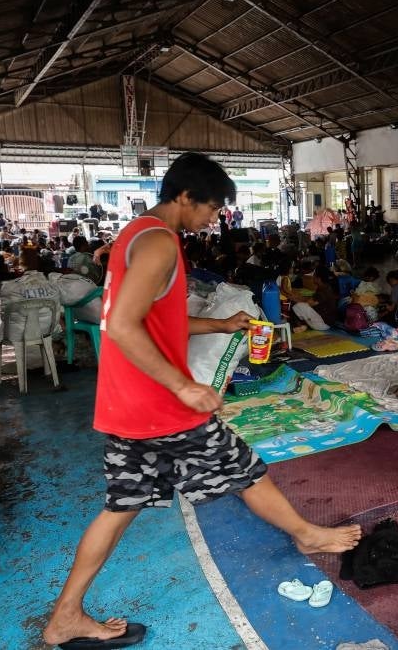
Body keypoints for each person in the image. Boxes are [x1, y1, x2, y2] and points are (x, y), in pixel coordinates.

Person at [42, 153, 360, 649]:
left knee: (119, 507)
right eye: (211, 207)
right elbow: (123, 326)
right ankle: (307, 533)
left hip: (127, 406)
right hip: (161, 407)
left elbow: (150, 319)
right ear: (185, 196)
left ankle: (65, 615)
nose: (214, 219)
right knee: (244, 468)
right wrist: (182, 385)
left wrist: (220, 325)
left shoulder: (136, 233)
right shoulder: (159, 243)